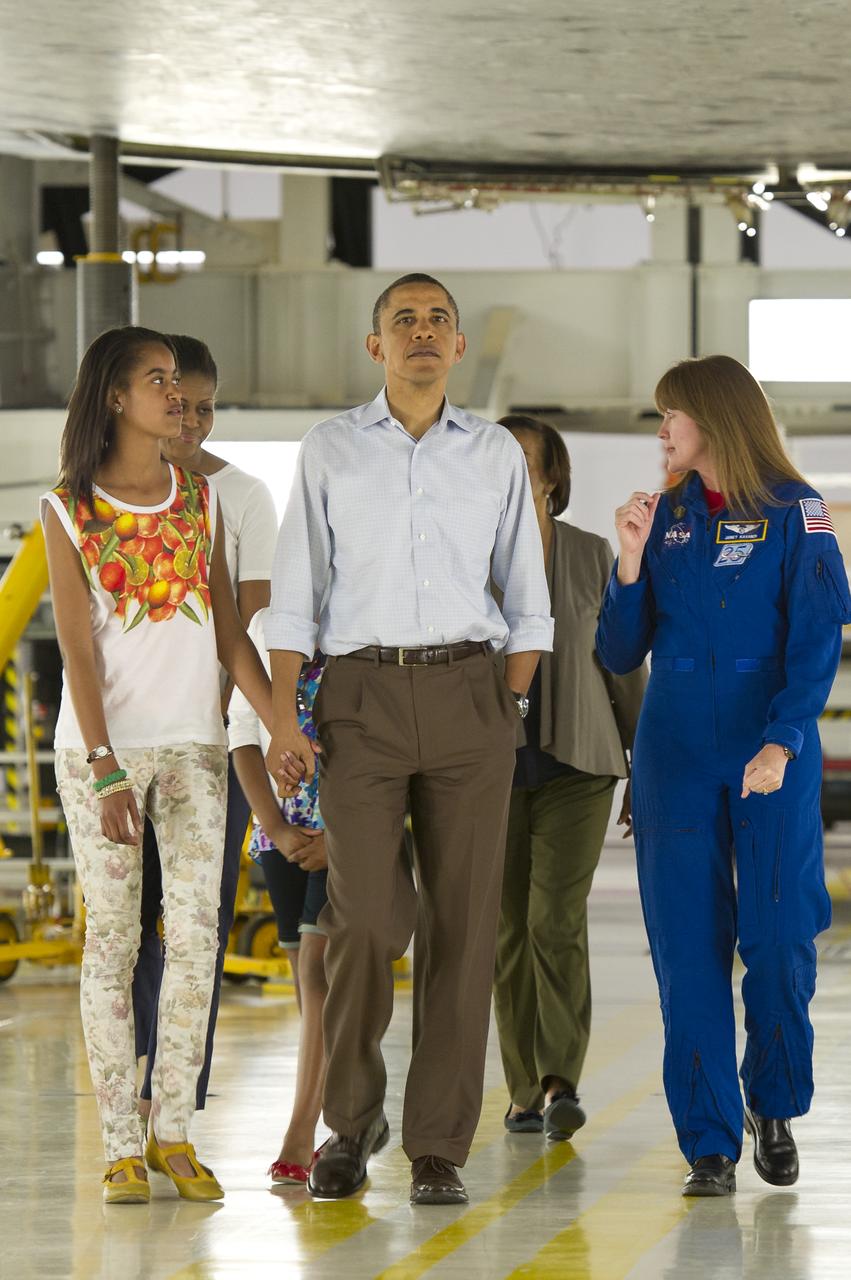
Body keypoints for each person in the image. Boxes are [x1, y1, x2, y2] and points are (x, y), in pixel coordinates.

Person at [264, 273, 553, 1206]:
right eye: (403, 321)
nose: (421, 333)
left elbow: (527, 596)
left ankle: (436, 1148)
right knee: (366, 921)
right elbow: (296, 597)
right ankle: (351, 1124)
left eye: (437, 321)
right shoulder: (330, 450)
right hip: (359, 696)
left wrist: (502, 704)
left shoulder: (496, 454)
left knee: (465, 930)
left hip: (471, 692)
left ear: (458, 347)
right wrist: (282, 722)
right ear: (374, 347)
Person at [595, 354, 851, 1197]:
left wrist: (780, 741)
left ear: (714, 417)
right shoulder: (661, 514)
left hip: (766, 748)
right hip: (674, 748)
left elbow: (816, 641)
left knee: (777, 941)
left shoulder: (795, 510)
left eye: (670, 414)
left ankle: (770, 1104)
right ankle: (708, 1140)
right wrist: (628, 563)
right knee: (686, 951)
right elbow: (617, 650)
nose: (661, 430)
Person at [42, 326, 273, 1204]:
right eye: (158, 381)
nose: (176, 396)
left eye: (178, 382)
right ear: (114, 397)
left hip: (196, 748)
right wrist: (102, 768)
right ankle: (119, 1144)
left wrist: (273, 720)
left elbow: (227, 630)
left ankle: (175, 1131)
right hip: (100, 753)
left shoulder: (200, 500)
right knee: (111, 942)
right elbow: (77, 653)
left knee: (199, 940)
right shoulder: (69, 509)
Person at [131, 334, 278, 1117]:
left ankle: (176, 1088)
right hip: (123, 740)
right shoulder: (101, 495)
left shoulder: (242, 498)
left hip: (209, 744)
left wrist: (244, 724)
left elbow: (249, 623)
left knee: (195, 924)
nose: (192, 423)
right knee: (127, 925)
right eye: (180, 404)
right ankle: (133, 1080)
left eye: (207, 408)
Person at [492, 415, 646, 1141]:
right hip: (486, 770)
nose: (510, 475)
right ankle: (520, 1088)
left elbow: (620, 658)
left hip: (578, 761)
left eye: (523, 462)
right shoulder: (462, 555)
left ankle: (559, 1082)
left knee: (552, 918)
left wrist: (639, 761)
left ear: (551, 476)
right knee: (504, 929)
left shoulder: (590, 555)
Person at [227, 610, 329, 1185]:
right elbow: (241, 733)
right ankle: (336, 1107)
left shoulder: (354, 618)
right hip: (279, 825)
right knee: (303, 977)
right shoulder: (264, 627)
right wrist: (277, 826)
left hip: (344, 822)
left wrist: (339, 836)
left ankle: (301, 1129)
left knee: (317, 969)